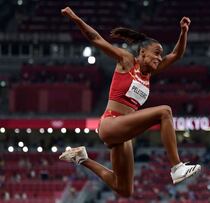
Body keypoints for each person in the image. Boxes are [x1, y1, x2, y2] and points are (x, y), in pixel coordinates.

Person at [58, 7, 201, 197]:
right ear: (142, 52)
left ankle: (81, 158)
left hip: (124, 134)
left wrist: (183, 32)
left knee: (124, 189)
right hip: (110, 124)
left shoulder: (149, 73)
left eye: (161, 55)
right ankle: (177, 167)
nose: (159, 58)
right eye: (156, 53)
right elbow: (96, 39)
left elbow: (176, 55)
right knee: (164, 111)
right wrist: (74, 17)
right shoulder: (127, 61)